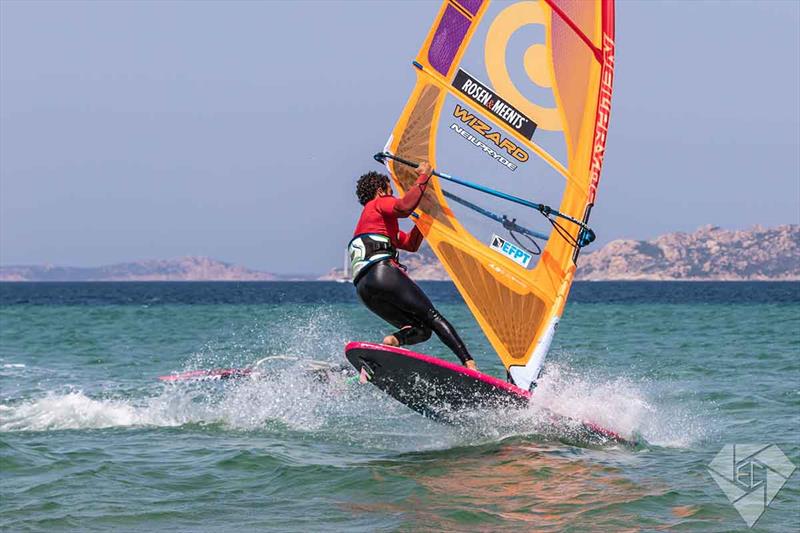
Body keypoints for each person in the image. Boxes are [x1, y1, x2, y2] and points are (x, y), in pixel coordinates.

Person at [348, 162, 477, 370]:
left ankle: (392, 341)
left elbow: (410, 244)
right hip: (382, 273)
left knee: (422, 330)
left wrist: (426, 216)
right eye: (390, 191)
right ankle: (469, 364)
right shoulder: (377, 203)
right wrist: (423, 178)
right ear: (380, 191)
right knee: (432, 316)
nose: (392, 196)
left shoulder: (373, 223)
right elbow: (404, 207)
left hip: (365, 290)